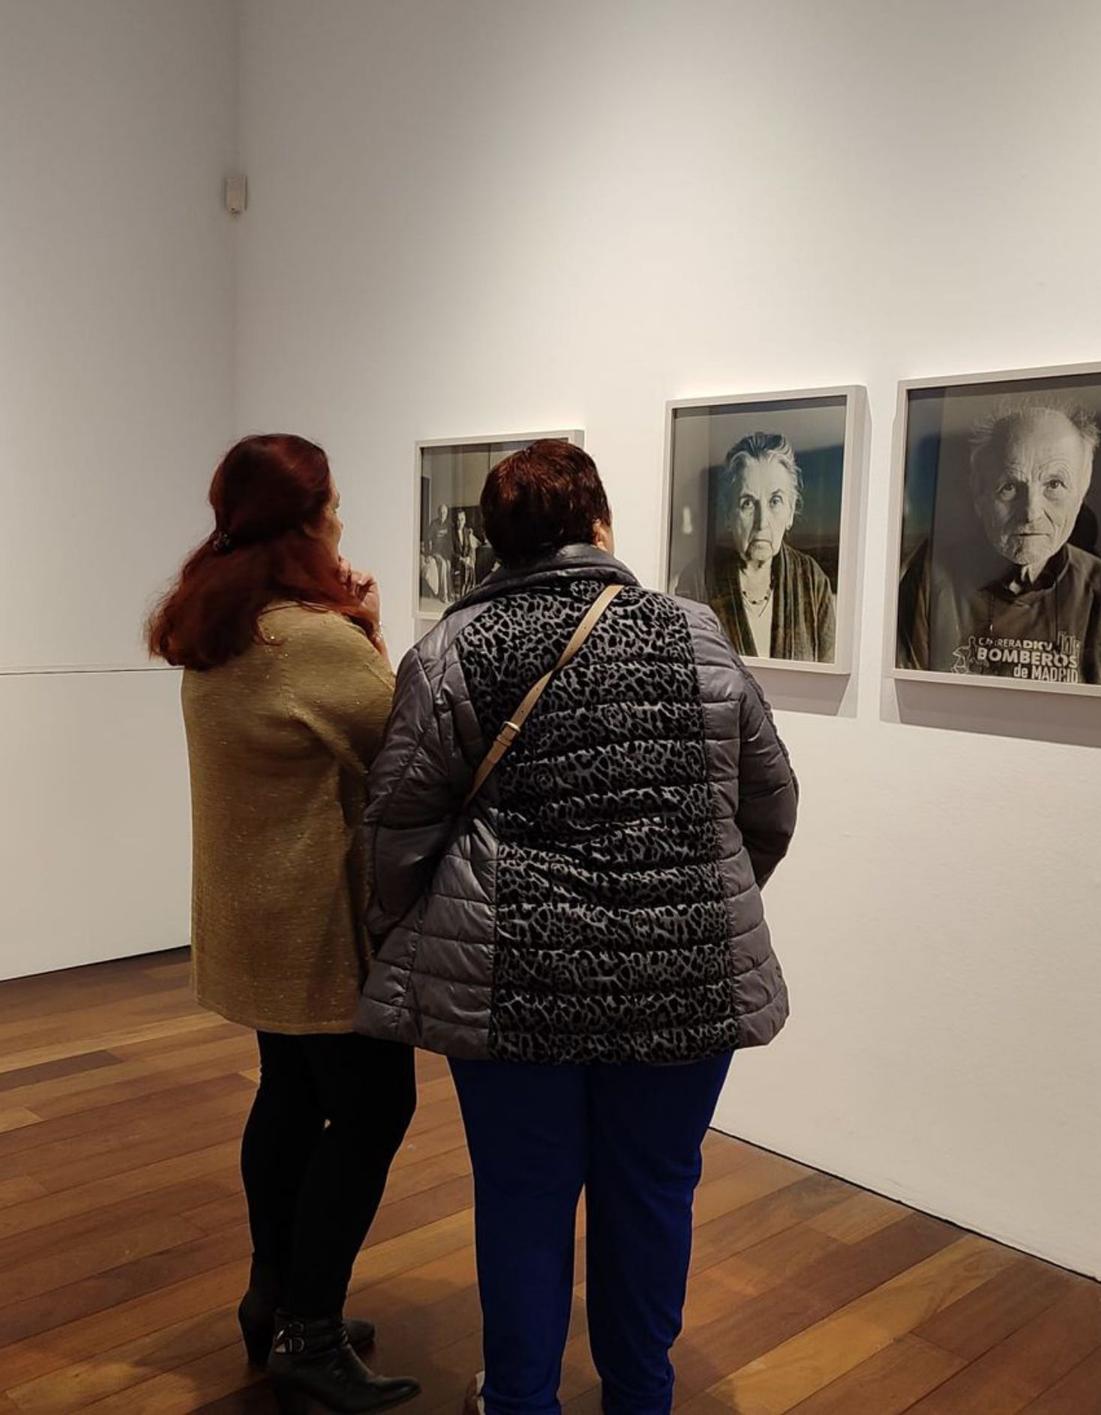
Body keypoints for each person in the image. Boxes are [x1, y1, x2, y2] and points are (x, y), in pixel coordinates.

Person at [355, 440, 798, 1415]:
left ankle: (519, 1398)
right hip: (683, 974)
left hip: (517, 979)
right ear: (600, 524)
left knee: (524, 1198)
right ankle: (640, 1395)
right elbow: (769, 803)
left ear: (495, 542)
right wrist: (703, 893)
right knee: (652, 1192)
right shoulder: (694, 634)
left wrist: (413, 931)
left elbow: (395, 829)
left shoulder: (452, 650)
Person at [147, 434, 420, 1413]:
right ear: (307, 519)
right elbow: (406, 761)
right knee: (378, 1108)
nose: (342, 516)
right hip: (316, 927)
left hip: (251, 914)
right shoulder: (312, 638)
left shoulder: (214, 623)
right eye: (333, 502)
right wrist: (372, 633)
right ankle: (308, 1325)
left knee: (292, 1098)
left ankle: (272, 1297)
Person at [897, 398, 1101, 685]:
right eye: (1009, 487)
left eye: (1054, 484)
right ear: (979, 492)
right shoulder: (931, 577)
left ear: (1082, 489)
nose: (1031, 513)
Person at [676, 431, 835, 662]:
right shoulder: (697, 580)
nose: (762, 523)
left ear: (790, 513)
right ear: (729, 514)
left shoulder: (812, 581)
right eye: (747, 503)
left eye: (775, 501)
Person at [423, 502, 453, 601]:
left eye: (444, 512)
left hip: (446, 553)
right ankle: (443, 595)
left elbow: (457, 535)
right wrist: (427, 554)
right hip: (436, 552)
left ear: (447, 513)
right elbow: (427, 540)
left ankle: (450, 593)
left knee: (448, 565)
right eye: (440, 512)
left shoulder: (449, 524)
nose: (442, 514)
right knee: (443, 564)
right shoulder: (434, 524)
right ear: (438, 513)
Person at [450, 506, 481, 599]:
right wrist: (461, 558)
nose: (460, 522)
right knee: (465, 566)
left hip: (465, 560)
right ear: (456, 521)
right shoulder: (451, 533)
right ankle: (462, 594)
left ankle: (469, 591)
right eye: (458, 520)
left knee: (471, 565)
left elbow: (470, 547)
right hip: (456, 560)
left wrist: (468, 558)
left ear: (465, 520)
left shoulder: (467, 531)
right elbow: (451, 551)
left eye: (462, 519)